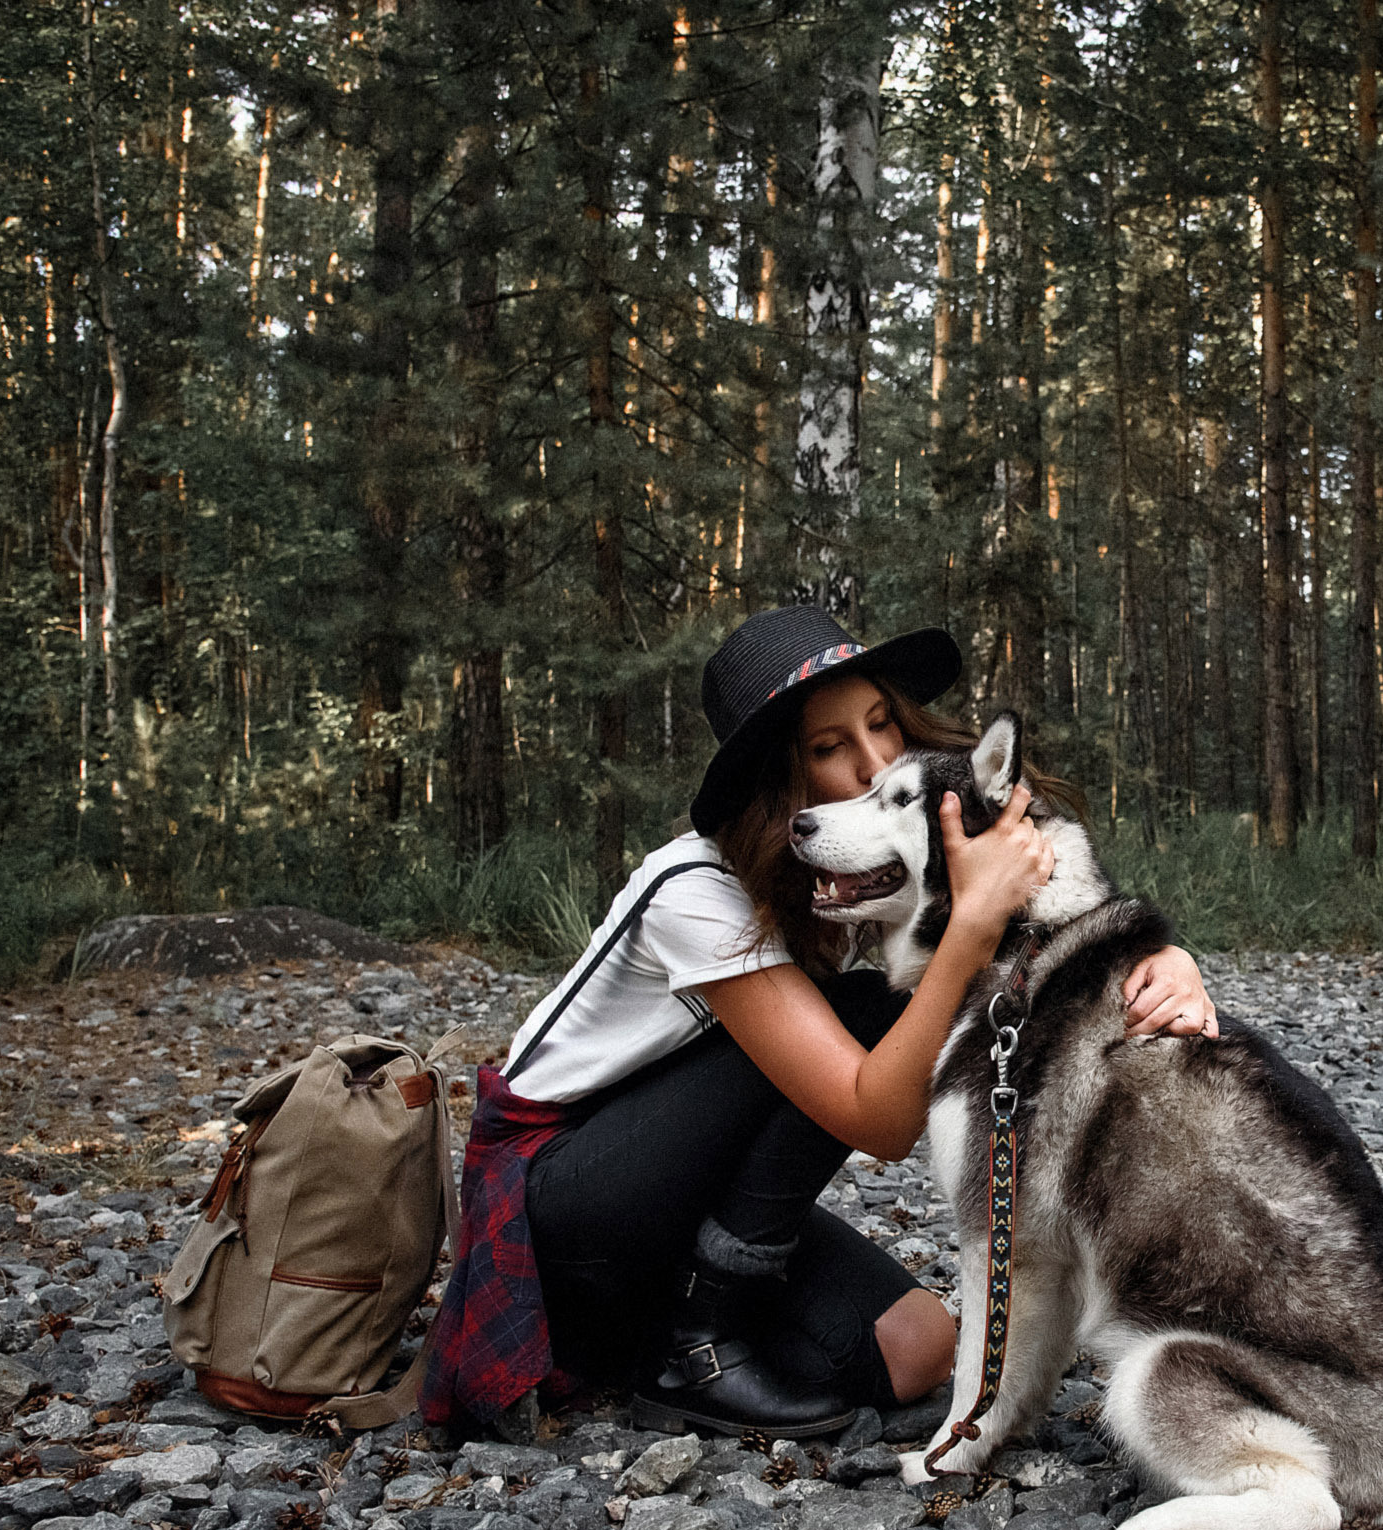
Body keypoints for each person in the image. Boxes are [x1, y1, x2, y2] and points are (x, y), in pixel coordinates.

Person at [423, 606, 1220, 1439]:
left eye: (880, 723)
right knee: (873, 1010)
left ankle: (631, 1336)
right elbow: (876, 1116)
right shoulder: (695, 888)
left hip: (689, 1193)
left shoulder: (855, 871)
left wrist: (1161, 961)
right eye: (829, 746)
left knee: (918, 1348)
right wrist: (971, 924)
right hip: (562, 1192)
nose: (877, 760)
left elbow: (1052, 911)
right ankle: (697, 1346)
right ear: (781, 777)